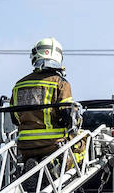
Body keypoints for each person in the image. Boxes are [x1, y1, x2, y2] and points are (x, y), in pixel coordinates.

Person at [10, 37, 80, 166]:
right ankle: (56, 169)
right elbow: (67, 115)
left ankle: (32, 166)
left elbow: (14, 118)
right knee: (81, 144)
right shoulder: (60, 83)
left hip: (25, 146)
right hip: (53, 144)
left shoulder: (19, 85)